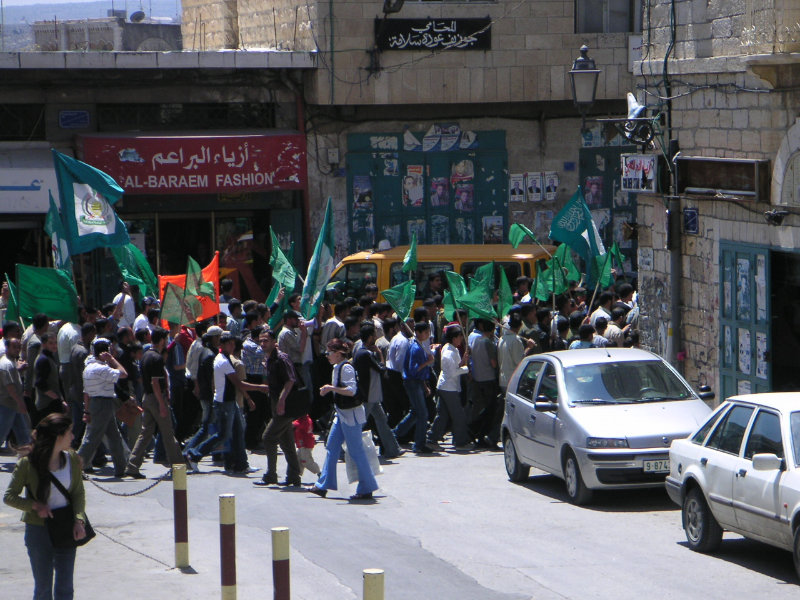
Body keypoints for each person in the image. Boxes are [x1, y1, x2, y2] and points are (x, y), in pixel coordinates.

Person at [4, 413, 87, 600]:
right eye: (69, 433)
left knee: (65, 588)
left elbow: (78, 493)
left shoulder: (72, 459)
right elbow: (9, 497)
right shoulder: (27, 464)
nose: (73, 437)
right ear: (58, 436)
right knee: (43, 589)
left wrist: (79, 520)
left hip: (66, 526)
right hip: (38, 530)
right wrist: (34, 505)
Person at [307, 338, 379, 501]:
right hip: (342, 414)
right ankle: (323, 484)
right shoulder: (337, 367)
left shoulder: (345, 368)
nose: (327, 355)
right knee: (332, 446)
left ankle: (367, 486)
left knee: (356, 451)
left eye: (329, 352)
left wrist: (331, 388)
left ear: (339, 354)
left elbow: (351, 391)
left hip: (351, 416)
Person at [185, 333, 267, 474]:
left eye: (233, 344)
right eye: (229, 344)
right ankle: (193, 455)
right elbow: (239, 383)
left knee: (238, 432)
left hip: (230, 402)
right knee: (223, 435)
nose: (232, 346)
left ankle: (241, 464)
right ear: (221, 346)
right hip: (224, 403)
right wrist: (259, 387)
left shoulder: (225, 358)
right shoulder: (222, 361)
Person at [124, 328, 185, 479]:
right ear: (162, 340)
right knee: (168, 433)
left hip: (147, 398)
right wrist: (162, 404)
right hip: (156, 398)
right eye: (166, 339)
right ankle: (178, 467)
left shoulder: (145, 356)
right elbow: (155, 382)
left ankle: (132, 465)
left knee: (145, 433)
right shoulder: (156, 358)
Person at [254, 329, 302, 486]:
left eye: (266, 340)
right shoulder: (269, 359)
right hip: (276, 405)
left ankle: (271, 475)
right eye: (261, 340)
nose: (263, 343)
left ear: (274, 342)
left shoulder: (281, 358)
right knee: (287, 442)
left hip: (285, 406)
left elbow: (290, 380)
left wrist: (281, 400)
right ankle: (294, 477)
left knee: (268, 438)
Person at [76, 338, 129, 478]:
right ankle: (75, 467)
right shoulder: (101, 368)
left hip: (97, 402)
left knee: (114, 436)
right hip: (103, 403)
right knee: (92, 438)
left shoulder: (88, 367)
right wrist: (112, 360)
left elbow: (85, 392)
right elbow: (123, 373)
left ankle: (121, 467)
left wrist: (86, 410)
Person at [354, 323, 403, 459]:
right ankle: (343, 449)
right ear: (370, 337)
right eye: (374, 335)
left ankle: (393, 449)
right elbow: (381, 369)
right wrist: (380, 354)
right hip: (369, 394)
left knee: (382, 421)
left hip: (372, 394)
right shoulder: (366, 354)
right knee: (359, 424)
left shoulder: (359, 349)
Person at [428, 325, 472, 451]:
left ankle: (432, 438)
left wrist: (463, 360)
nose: (461, 340)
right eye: (459, 337)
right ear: (454, 338)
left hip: (446, 386)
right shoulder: (448, 352)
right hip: (448, 388)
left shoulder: (452, 349)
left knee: (443, 415)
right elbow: (453, 372)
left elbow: (454, 366)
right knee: (458, 415)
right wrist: (465, 369)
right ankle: (460, 441)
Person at [394, 322, 435, 454]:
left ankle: (393, 435)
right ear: (419, 333)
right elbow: (414, 370)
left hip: (416, 383)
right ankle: (419, 444)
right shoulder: (416, 348)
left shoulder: (418, 346)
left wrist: (424, 385)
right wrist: (427, 362)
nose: (428, 335)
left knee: (416, 413)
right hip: (412, 383)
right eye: (426, 332)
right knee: (422, 414)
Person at [0, 338, 32, 451]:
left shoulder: (12, 362)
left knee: (23, 435)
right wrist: (20, 403)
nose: (17, 350)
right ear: (7, 348)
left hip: (14, 405)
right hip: (7, 405)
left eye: (19, 347)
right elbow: (10, 387)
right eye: (14, 347)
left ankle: (28, 459)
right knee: (1, 434)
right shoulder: (6, 364)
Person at [34, 333, 66, 423]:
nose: (54, 345)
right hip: (47, 404)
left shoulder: (50, 357)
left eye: (55, 342)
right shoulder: (43, 359)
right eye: (51, 343)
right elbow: (40, 383)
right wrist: (56, 398)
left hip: (53, 402)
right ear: (44, 344)